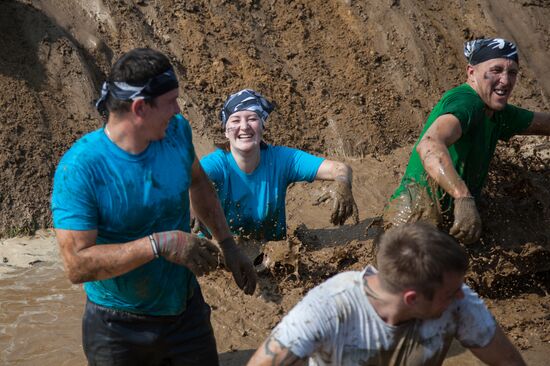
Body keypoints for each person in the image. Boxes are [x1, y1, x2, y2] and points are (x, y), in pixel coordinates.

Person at [51, 48, 257, 365]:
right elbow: (76, 266)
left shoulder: (176, 133)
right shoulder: (80, 168)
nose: (178, 109)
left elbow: (198, 183)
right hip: (117, 328)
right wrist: (160, 244)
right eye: (170, 101)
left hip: (185, 314)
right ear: (139, 108)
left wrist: (228, 244)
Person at [247, 223, 526, 366]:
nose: (463, 297)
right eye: (452, 293)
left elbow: (507, 362)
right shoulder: (330, 307)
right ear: (412, 299)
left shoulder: (455, 300)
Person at [383, 38, 550, 244]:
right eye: (496, 70)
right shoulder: (467, 102)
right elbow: (429, 144)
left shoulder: (498, 113)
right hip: (414, 216)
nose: (505, 81)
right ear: (472, 73)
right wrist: (462, 197)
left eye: (512, 72)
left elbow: (544, 123)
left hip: (449, 220)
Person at [197, 89, 359, 241]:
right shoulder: (217, 164)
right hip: (220, 254)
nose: (244, 126)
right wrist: (191, 206)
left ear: (262, 126)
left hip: (273, 254)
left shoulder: (281, 159)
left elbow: (340, 168)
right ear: (226, 130)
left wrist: (343, 182)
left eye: (252, 119)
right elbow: (185, 181)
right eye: (236, 120)